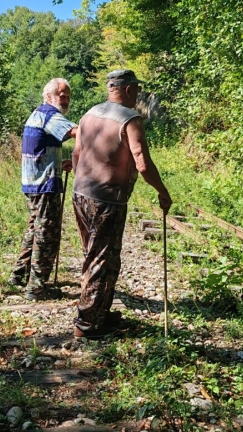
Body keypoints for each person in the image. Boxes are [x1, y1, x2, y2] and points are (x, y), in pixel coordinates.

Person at [71, 69, 172, 338]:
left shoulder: (89, 114)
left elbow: (77, 153)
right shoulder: (130, 119)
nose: (138, 94)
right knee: (102, 260)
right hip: (107, 199)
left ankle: (99, 311)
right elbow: (142, 162)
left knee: (95, 255)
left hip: (81, 194)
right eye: (136, 90)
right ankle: (87, 325)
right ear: (128, 90)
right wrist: (162, 191)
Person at [10, 78, 78, 301]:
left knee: (34, 229)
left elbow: (43, 148)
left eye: (67, 95)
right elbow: (76, 132)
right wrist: (100, 127)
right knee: (46, 234)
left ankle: (19, 276)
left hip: (34, 181)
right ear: (49, 96)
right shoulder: (50, 114)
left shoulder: (39, 113)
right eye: (61, 95)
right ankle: (36, 287)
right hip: (43, 184)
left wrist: (61, 163)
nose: (65, 99)